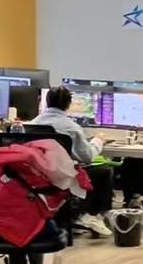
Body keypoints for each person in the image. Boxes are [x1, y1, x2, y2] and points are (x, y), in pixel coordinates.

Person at [29, 86, 112, 237]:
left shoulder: (31, 124)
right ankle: (91, 214)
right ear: (68, 104)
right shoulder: (72, 128)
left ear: (46, 101)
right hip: (62, 176)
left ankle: (77, 214)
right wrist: (98, 141)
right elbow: (87, 157)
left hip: (35, 176)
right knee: (105, 171)